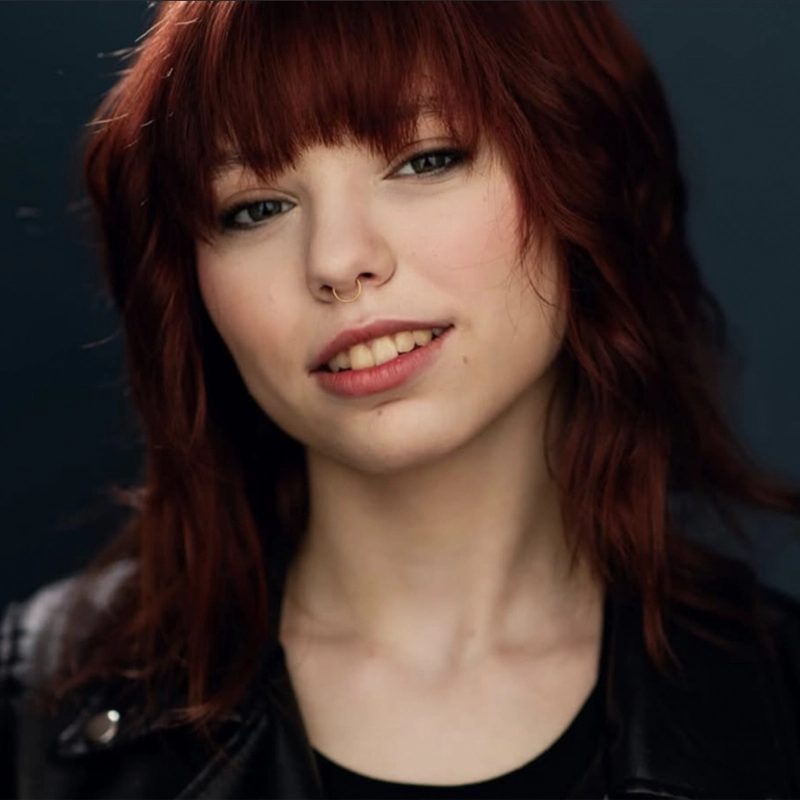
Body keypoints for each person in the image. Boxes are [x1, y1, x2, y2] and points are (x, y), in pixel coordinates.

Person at [2, 1, 799, 797]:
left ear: (586, 173)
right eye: (256, 207)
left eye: (423, 160)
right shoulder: (32, 714)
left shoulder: (779, 710)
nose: (337, 259)